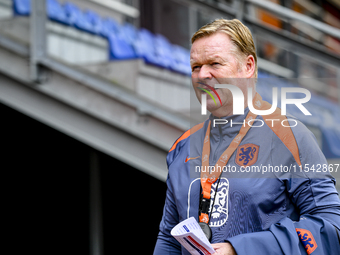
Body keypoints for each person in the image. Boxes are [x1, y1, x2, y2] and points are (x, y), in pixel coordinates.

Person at [153, 19, 340, 255]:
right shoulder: (183, 146)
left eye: (215, 63)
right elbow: (169, 238)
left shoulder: (289, 135)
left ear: (248, 66)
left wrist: (240, 249)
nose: (203, 75)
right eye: (195, 67)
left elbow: (330, 228)